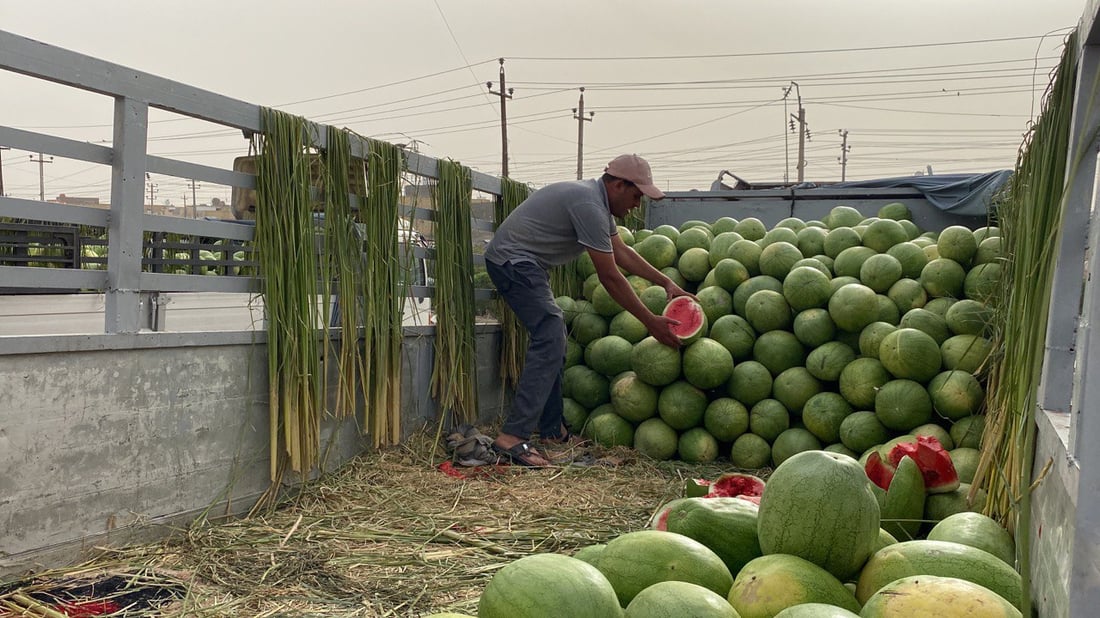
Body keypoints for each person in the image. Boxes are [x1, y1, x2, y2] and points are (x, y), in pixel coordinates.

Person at [484, 154, 693, 466]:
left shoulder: (595, 202)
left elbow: (622, 252)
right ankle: (512, 437)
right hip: (512, 261)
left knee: (553, 337)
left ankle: (553, 430)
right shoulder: (588, 205)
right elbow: (609, 277)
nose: (637, 205)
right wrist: (650, 322)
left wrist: (666, 283)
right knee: (552, 329)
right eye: (636, 196)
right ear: (619, 185)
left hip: (526, 264)